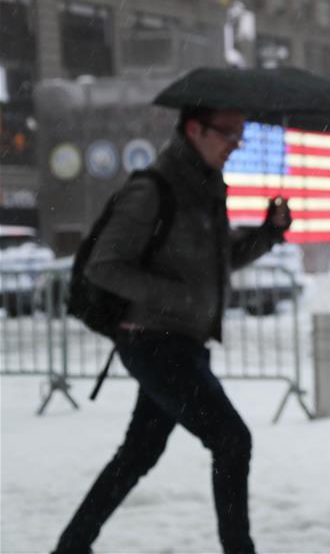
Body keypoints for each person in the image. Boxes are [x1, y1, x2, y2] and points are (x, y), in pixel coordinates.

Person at [53, 107, 291, 554]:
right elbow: (103, 265)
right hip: (152, 341)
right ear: (194, 129)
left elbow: (218, 262)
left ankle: (71, 546)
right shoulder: (152, 190)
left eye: (239, 135)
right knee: (231, 440)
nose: (235, 144)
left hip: (180, 342)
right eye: (228, 133)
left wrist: (269, 232)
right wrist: (174, 295)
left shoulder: (205, 190)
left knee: (139, 453)